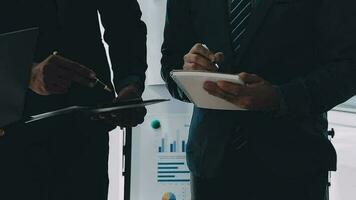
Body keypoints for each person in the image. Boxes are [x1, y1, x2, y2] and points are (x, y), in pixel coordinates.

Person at [161, 0, 356, 199]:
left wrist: (280, 97)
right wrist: (190, 72)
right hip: (211, 161)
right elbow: (171, 62)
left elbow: (348, 66)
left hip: (294, 159)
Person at [1, 0, 147, 199]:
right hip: (12, 131)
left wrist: (129, 83)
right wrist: (25, 72)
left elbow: (124, 20)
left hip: (86, 127)